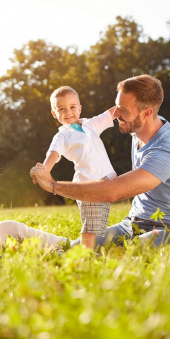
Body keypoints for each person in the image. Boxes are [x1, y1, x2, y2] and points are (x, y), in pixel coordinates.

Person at [30, 74, 170, 247]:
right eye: (117, 107)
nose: (117, 115)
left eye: (123, 110)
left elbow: (112, 192)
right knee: (77, 249)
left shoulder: (167, 150)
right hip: (131, 225)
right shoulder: (137, 130)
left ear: (146, 113)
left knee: (131, 252)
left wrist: (53, 186)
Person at [41, 86, 117, 249]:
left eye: (72, 107)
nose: (68, 112)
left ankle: (87, 250)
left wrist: (127, 107)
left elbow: (109, 115)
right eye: (62, 109)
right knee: (91, 225)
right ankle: (85, 254)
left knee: (97, 222)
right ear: (55, 114)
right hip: (88, 183)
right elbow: (53, 153)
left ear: (80, 109)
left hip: (105, 180)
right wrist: (45, 169)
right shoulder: (63, 135)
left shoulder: (90, 124)